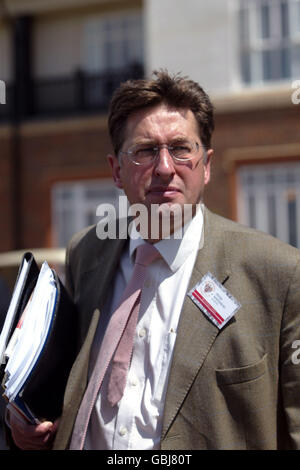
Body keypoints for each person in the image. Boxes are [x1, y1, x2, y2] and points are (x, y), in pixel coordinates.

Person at [8, 70, 300, 450]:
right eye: (145, 151)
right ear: (116, 170)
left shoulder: (279, 272)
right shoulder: (87, 254)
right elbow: (68, 383)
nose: (165, 167)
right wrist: (27, 422)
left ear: (207, 165)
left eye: (181, 148)